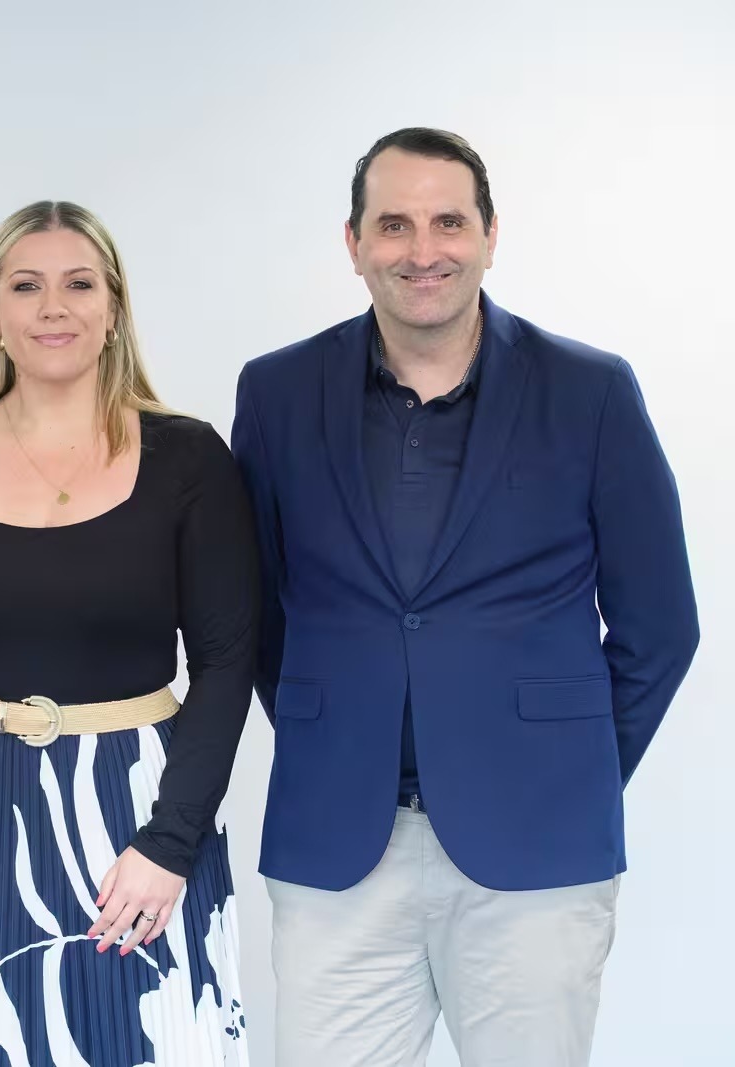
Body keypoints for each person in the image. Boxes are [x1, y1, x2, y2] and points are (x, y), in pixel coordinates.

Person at [231, 128, 700, 1066]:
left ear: (491, 234)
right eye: (393, 224)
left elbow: (659, 625)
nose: (422, 249)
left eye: (449, 221)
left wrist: (569, 767)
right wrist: (338, 735)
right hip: (339, 845)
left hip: (539, 843)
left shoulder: (592, 391)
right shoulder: (277, 392)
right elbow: (256, 609)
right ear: (353, 243)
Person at [0, 201, 257, 1065]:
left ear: (113, 309)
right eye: (25, 286)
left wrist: (171, 842)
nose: (53, 307)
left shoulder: (189, 459)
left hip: (137, 817)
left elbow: (226, 662)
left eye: (79, 284)